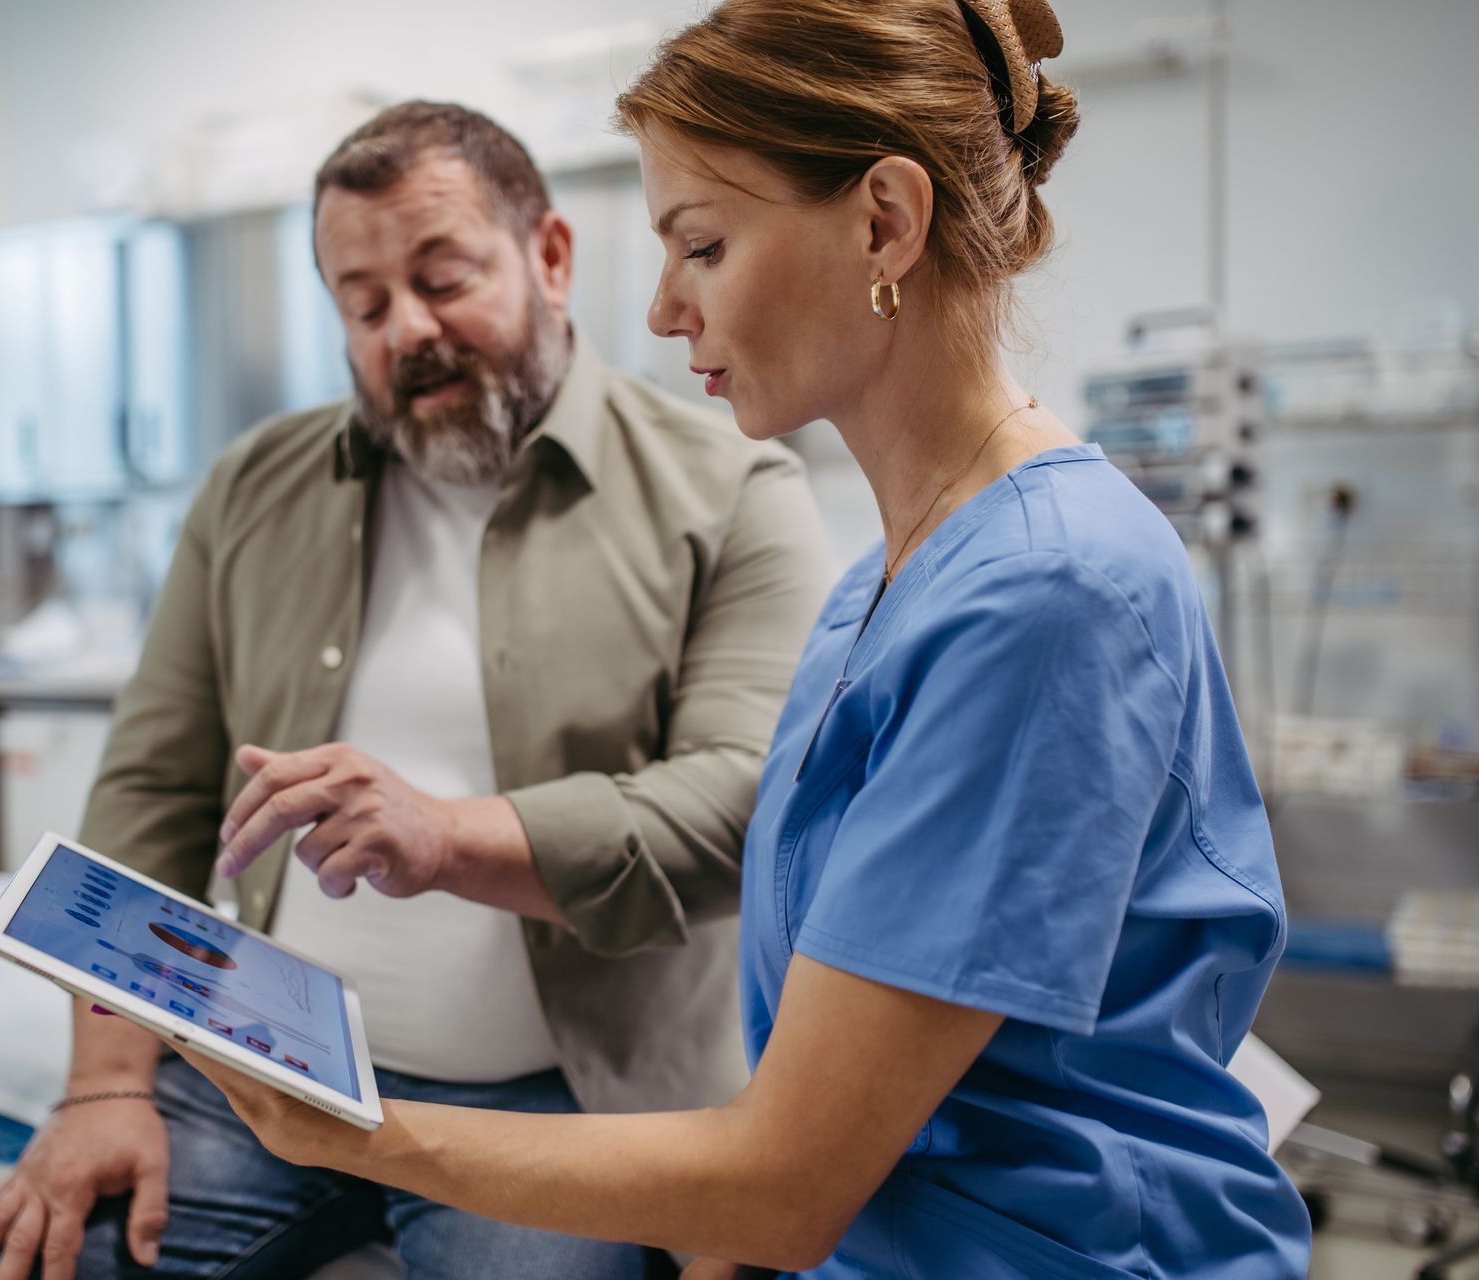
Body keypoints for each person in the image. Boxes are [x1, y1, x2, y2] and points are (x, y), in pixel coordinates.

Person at [128, 2, 1317, 1277]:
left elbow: (785, 1179)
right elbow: (813, 1063)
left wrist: (357, 1131)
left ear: (885, 223)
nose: (662, 310)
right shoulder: (890, 579)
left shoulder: (1043, 594)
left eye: (702, 244)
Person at [0, 101, 832, 1280]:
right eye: (364, 306)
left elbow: (741, 805)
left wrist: (446, 833)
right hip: (259, 1071)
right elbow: (149, 794)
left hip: (559, 1108)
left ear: (551, 258)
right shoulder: (253, 490)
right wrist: (105, 1083)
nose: (405, 329)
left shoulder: (733, 489)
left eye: (443, 278)